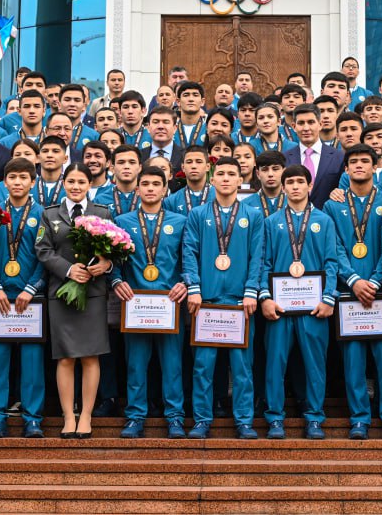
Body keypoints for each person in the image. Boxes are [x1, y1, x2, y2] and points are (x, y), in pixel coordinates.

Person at [183, 158, 266, 439]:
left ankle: (244, 421)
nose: (227, 178)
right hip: (206, 301)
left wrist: (252, 290)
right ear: (212, 179)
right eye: (221, 174)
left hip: (240, 302)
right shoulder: (198, 214)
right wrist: (194, 288)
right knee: (202, 367)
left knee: (242, 367)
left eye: (232, 174)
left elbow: (258, 255)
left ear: (241, 180)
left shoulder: (253, 215)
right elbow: (189, 252)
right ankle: (201, 419)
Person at [323, 145, 382, 439]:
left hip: (381, 292)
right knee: (353, 362)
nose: (358, 165)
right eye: (353, 162)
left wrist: (377, 280)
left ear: (375, 166)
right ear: (345, 169)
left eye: (365, 161)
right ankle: (359, 418)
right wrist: (354, 280)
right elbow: (333, 248)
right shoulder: (333, 205)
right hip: (348, 293)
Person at [259, 163, 338, 440]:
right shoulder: (271, 222)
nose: (295, 187)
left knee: (315, 364)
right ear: (283, 188)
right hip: (279, 307)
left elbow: (331, 262)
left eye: (299, 182)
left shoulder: (324, 221)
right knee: (275, 363)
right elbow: (264, 262)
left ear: (310, 185)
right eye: (290, 182)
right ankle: (274, 417)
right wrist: (265, 297)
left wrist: (328, 298)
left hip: (314, 307)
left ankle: (314, 417)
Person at [34, 163, 113, 438]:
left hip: (93, 293)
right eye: (71, 181)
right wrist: (68, 270)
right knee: (65, 357)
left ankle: (86, 415)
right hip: (61, 292)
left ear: (90, 184)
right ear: (63, 183)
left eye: (81, 182)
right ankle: (68, 416)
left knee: (91, 356)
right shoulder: (49, 214)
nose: (76, 186)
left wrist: (106, 265)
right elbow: (43, 250)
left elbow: (114, 250)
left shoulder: (102, 213)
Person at [111, 165, 189, 438]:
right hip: (135, 304)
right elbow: (115, 261)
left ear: (165, 189)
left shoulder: (180, 221)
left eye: (156, 184)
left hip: (170, 303)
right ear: (137, 188)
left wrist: (185, 282)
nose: (151, 189)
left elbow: (188, 258)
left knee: (172, 364)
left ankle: (175, 417)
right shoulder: (122, 221)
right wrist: (116, 281)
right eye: (145, 184)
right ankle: (135, 416)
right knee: (136, 364)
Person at [0, 159, 46, 438]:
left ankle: (33, 418)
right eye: (13, 177)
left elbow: (46, 256)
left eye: (23, 177)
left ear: (33, 182)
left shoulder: (43, 214)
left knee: (32, 363)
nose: (17, 182)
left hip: (31, 300)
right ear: (4, 182)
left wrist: (31, 288)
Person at [284, 105, 344, 207]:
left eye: (311, 122)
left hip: (327, 214)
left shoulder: (339, 157)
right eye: (301, 123)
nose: (306, 128)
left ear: (320, 124)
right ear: (294, 126)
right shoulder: (284, 159)